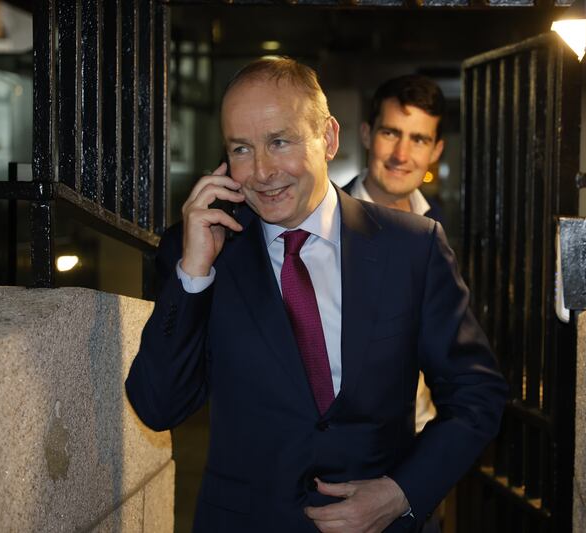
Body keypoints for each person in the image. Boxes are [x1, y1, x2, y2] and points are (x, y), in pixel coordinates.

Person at [125, 56, 507, 532]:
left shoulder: (412, 247)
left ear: (327, 138)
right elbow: (158, 406)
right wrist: (194, 272)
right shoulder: (200, 252)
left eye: (279, 142)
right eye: (241, 149)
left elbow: (477, 394)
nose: (262, 171)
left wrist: (400, 492)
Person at [343, 74, 446, 434]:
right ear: (367, 134)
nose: (402, 155)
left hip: (422, 435)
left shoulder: (442, 230)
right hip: (344, 442)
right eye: (391, 133)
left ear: (436, 151)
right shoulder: (321, 222)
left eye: (419, 139)